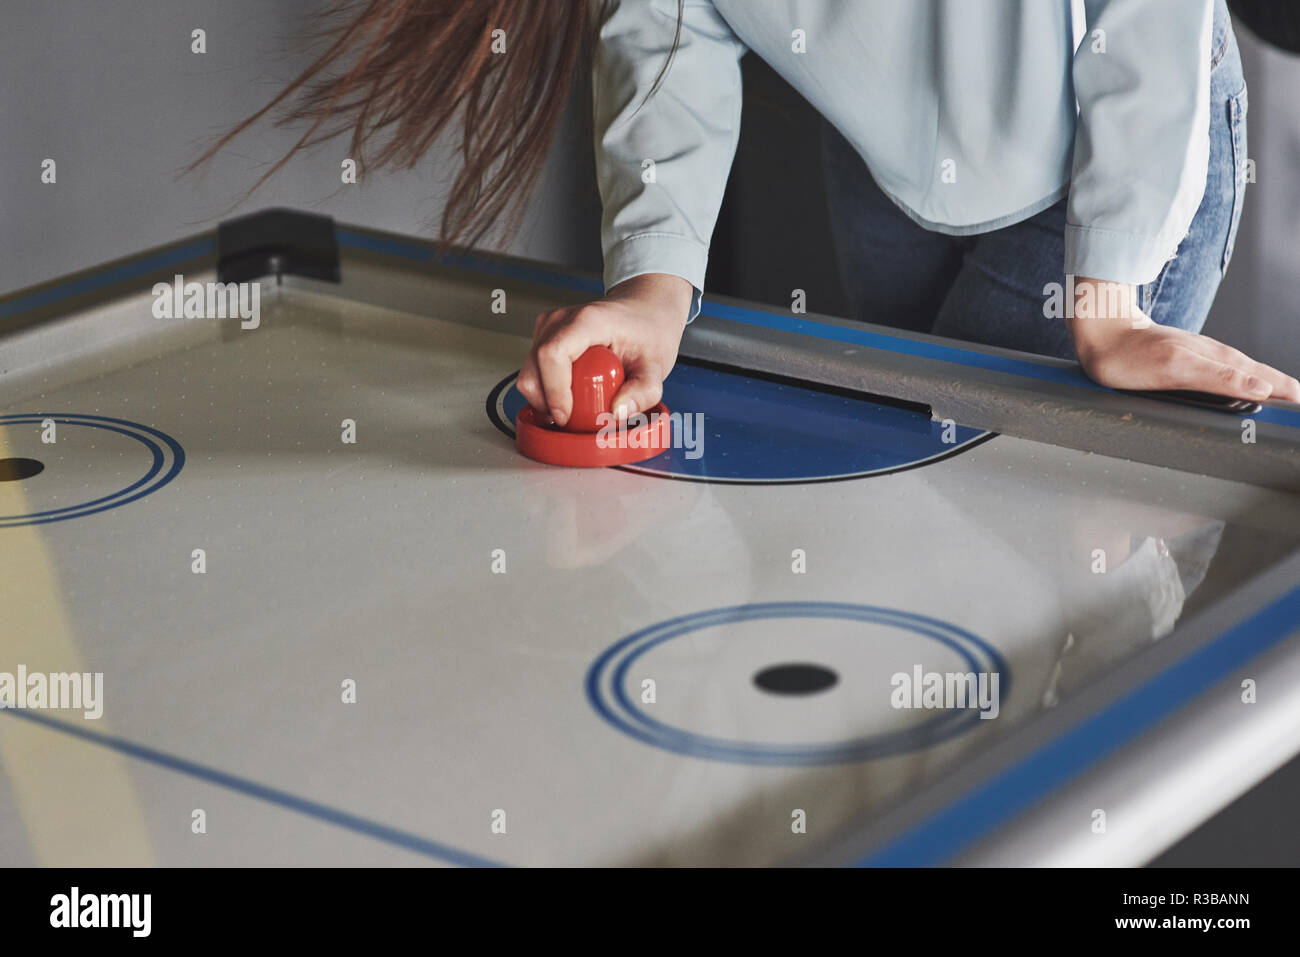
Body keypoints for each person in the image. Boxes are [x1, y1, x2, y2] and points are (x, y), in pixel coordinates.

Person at [203, 0, 1300, 426]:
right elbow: (669, 25)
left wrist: (1106, 297)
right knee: (916, 471)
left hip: (1112, 144)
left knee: (1051, 544)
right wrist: (649, 284)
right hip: (884, 147)